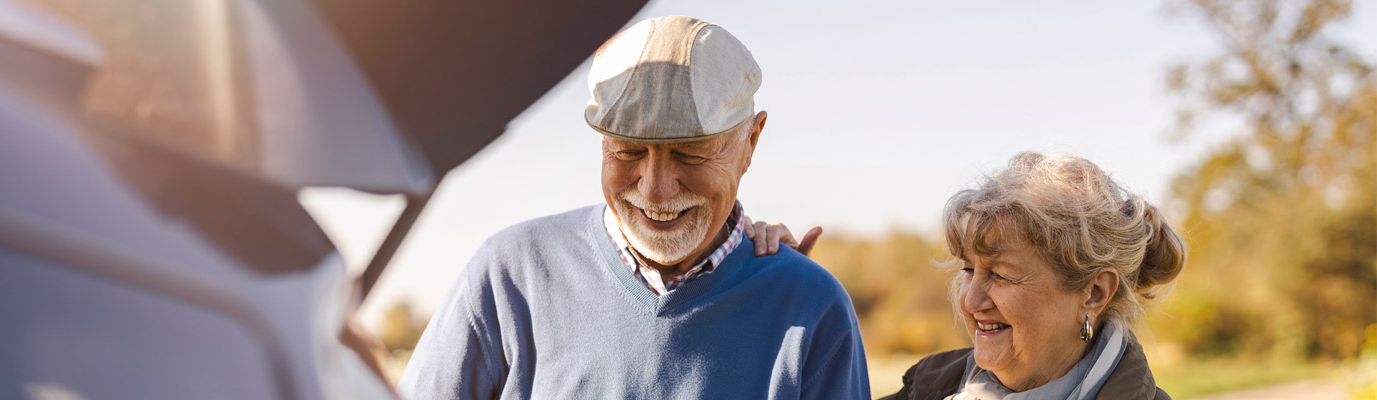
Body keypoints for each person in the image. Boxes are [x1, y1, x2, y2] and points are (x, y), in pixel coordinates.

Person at [399, 15, 871, 399]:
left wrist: (773, 288)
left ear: (750, 141)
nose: (655, 190)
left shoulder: (812, 308)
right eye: (628, 150)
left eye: (690, 151)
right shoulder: (509, 276)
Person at [749, 152, 1185, 399]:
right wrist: (775, 296)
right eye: (968, 269)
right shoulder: (929, 390)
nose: (971, 300)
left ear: (1093, 292)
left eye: (1000, 274)